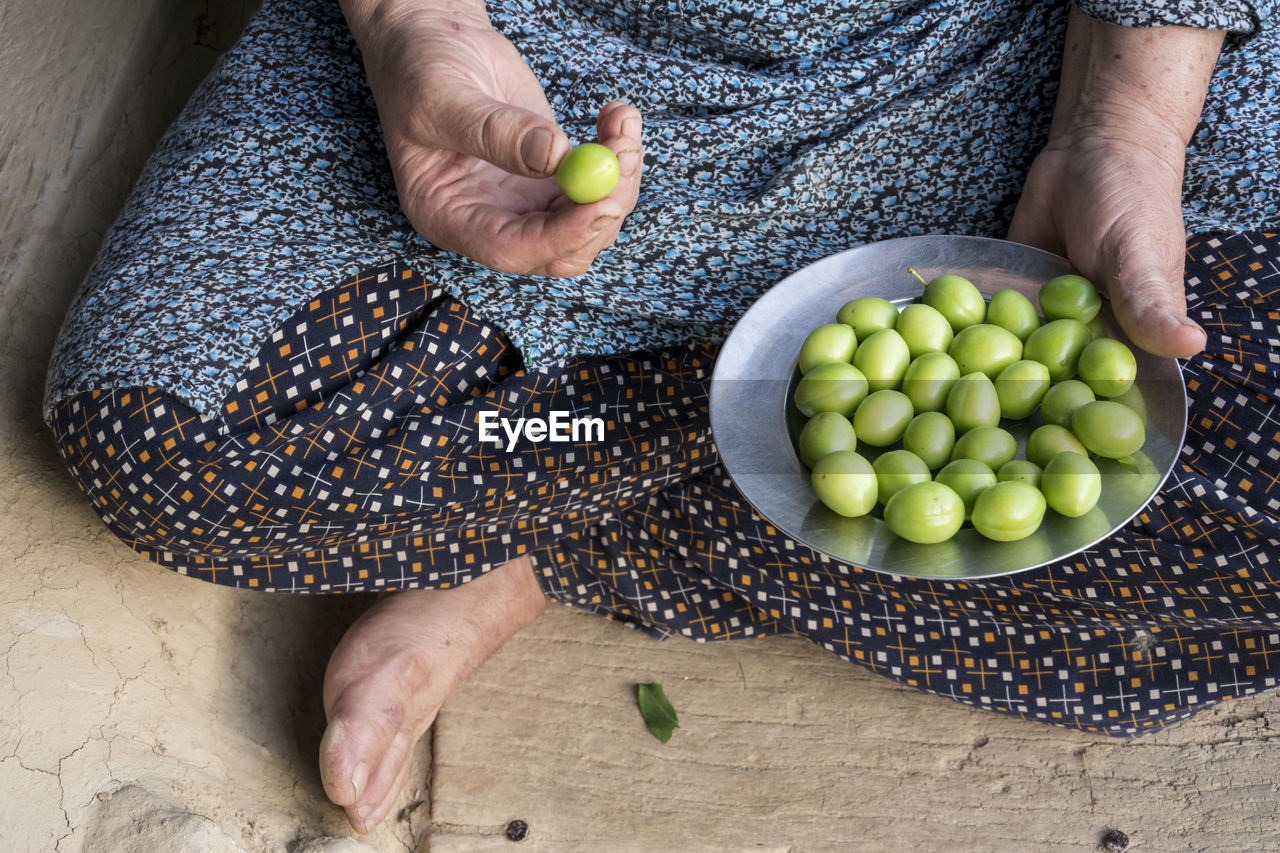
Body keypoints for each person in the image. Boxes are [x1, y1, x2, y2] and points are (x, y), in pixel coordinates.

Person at [44, 0, 1278, 835]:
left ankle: (553, 531)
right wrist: (412, 28)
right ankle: (606, 466)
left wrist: (1122, 127)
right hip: (536, 67)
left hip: (1011, 65)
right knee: (192, 452)